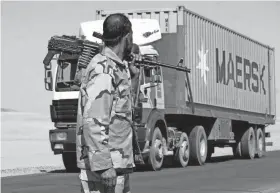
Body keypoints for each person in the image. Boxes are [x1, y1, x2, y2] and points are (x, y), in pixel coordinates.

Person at [76, 13, 141, 193]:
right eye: (132, 36)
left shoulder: (115, 68)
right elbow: (93, 121)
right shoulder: (103, 70)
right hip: (104, 171)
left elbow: (123, 113)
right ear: (127, 37)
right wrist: (104, 166)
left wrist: (134, 77)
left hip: (116, 166)